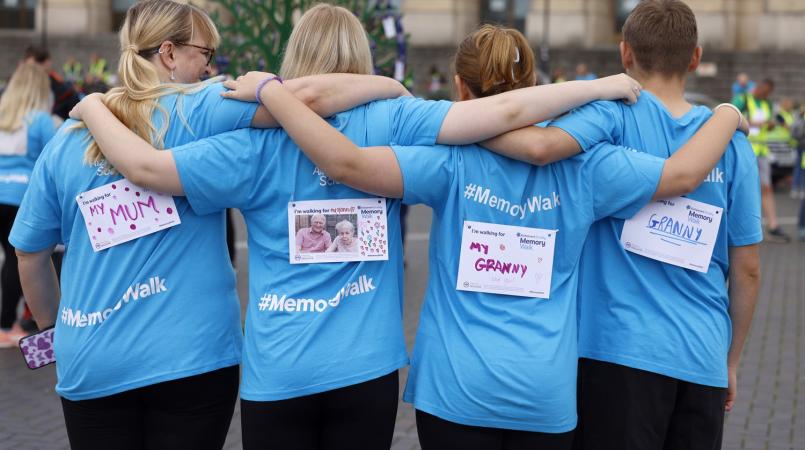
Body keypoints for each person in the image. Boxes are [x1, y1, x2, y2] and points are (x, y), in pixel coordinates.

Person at [73, 18, 740, 450]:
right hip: (476, 384)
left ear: (456, 84)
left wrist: (91, 108)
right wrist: (725, 115)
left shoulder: (424, 157)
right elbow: (680, 176)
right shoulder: (422, 124)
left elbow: (152, 166)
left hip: (329, 375)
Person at [11, 1, 409, 449]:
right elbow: (306, 101)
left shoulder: (68, 136)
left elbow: (29, 253)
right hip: (192, 355)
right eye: (206, 53)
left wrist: (52, 332)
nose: (211, 66)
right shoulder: (199, 110)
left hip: (92, 356)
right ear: (168, 53)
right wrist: (388, 85)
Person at [482, 1, 761, 448]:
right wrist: (730, 361)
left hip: (614, 351)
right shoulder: (733, 145)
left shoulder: (608, 117)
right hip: (702, 355)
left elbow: (538, 144)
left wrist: (455, 126)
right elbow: (748, 269)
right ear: (696, 57)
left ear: (625, 54)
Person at [0, 63, 59, 347]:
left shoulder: (2, 114)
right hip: (21, 197)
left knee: (8, 260)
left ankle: (6, 322)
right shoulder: (41, 119)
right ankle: (12, 325)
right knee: (21, 260)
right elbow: (56, 156)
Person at [732, 78, 790, 242]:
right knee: (741, 190)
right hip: (745, 151)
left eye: (769, 93)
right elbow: (730, 117)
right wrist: (753, 122)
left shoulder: (767, 104)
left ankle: (773, 225)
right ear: (759, 87)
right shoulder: (743, 99)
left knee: (767, 188)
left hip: (762, 151)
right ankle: (741, 227)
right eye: (765, 92)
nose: (766, 95)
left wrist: (770, 125)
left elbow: (769, 123)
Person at [23, 46, 81, 120]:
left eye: (34, 66)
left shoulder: (67, 93)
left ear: (47, 63)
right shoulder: (19, 92)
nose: (32, 71)